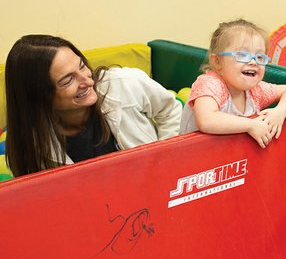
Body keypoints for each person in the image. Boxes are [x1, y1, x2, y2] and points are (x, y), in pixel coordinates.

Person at [4, 34, 182, 177]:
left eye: (82, 66)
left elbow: (170, 110)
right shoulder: (30, 139)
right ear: (40, 97)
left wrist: (164, 160)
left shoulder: (123, 84)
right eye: (67, 80)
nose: (87, 80)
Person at [180, 19, 286, 147]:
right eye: (242, 55)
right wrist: (250, 125)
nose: (253, 62)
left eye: (260, 57)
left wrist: (279, 112)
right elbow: (206, 120)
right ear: (217, 61)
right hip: (188, 157)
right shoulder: (210, 84)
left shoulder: (256, 91)